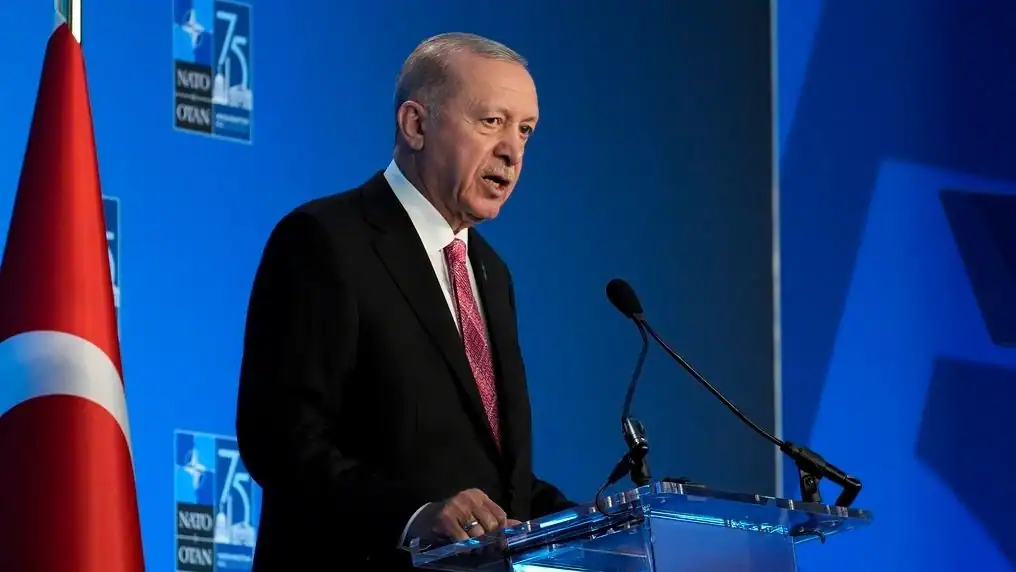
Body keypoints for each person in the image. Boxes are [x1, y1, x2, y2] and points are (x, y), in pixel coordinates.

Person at [234, 32, 575, 570]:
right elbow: (281, 438)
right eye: (492, 121)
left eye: (525, 130)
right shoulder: (325, 240)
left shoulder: (491, 273)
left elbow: (489, 474)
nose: (512, 151)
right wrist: (413, 516)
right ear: (416, 124)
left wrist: (597, 525)